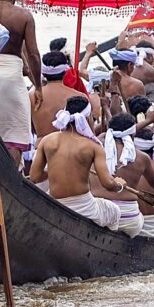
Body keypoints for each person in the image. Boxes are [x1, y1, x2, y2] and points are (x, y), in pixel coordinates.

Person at [30, 96, 124, 228]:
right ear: (87, 118)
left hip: (55, 205)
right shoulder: (93, 146)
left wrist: (52, 171)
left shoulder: (46, 141)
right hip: (84, 208)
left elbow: (34, 177)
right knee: (115, 211)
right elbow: (108, 184)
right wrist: (119, 185)